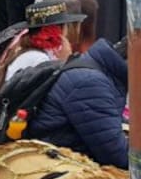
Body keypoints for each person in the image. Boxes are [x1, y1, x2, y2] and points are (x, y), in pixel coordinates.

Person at [29, 37, 127, 168]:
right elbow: (118, 157)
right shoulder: (90, 83)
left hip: (60, 160)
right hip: (55, 171)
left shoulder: (96, 69)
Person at [3, 0, 82, 82]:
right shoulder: (39, 59)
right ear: (57, 29)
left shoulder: (30, 52)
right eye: (66, 26)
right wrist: (64, 62)